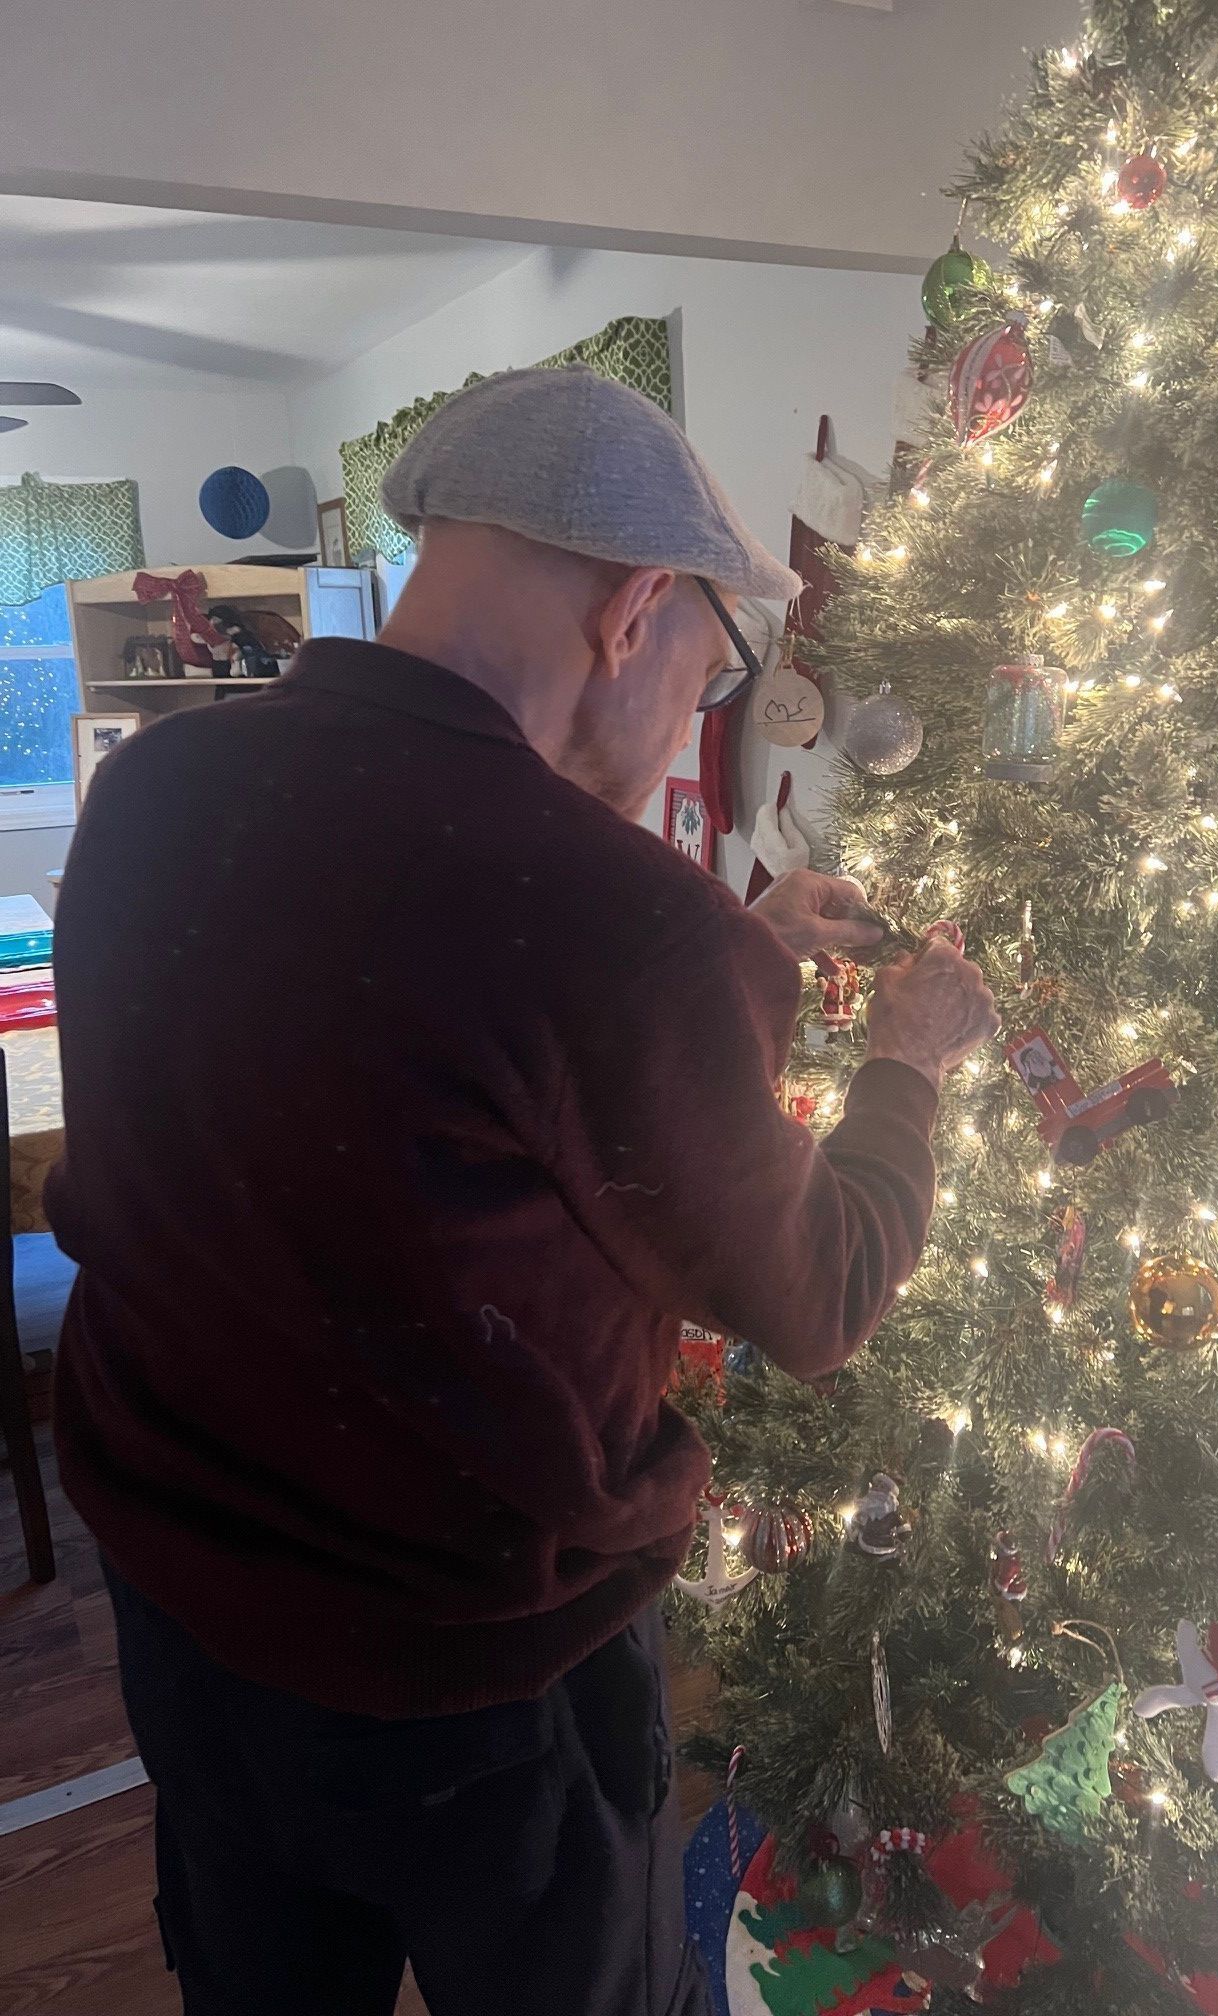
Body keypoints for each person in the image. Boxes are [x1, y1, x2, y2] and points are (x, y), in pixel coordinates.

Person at [48, 366, 999, 2016]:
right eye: (713, 672)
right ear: (638, 611)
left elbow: (395, 1082)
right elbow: (821, 1293)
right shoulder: (620, 921)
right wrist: (908, 1064)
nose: (692, 719)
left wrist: (741, 960)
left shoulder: (153, 796)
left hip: (190, 1620)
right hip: (478, 1685)